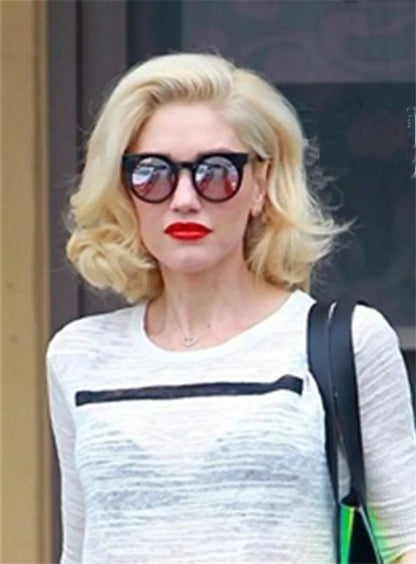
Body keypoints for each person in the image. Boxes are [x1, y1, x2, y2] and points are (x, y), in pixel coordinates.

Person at [46, 52, 416, 564]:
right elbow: (78, 549)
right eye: (152, 174)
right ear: (124, 192)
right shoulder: (79, 354)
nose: (184, 198)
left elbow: (404, 545)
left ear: (260, 187)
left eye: (215, 172)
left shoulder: (347, 341)